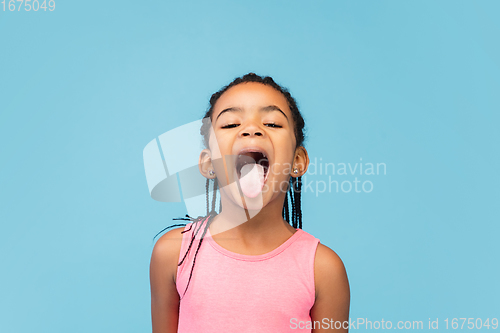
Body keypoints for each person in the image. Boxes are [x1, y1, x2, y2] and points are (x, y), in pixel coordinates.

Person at [150, 73, 350, 332]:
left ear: (298, 161)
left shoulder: (323, 269)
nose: (251, 129)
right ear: (208, 163)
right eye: (231, 124)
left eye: (272, 124)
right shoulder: (173, 254)